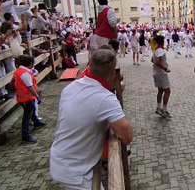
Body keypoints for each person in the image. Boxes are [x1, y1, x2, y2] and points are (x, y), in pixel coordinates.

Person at [50, 49, 133, 189]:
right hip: (76, 171)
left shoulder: (71, 88)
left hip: (62, 160)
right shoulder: (105, 98)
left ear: (90, 66)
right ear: (112, 74)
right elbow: (127, 136)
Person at [13, 55, 46, 143]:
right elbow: (29, 86)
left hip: (22, 97)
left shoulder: (19, 71)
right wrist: (37, 96)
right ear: (31, 64)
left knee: (31, 111)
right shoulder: (24, 73)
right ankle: (25, 135)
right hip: (26, 97)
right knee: (27, 116)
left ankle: (36, 122)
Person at [152, 35, 172, 118]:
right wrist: (165, 68)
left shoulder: (156, 50)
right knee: (167, 91)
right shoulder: (161, 51)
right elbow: (156, 62)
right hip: (161, 73)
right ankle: (164, 110)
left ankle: (158, 108)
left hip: (156, 73)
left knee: (160, 90)